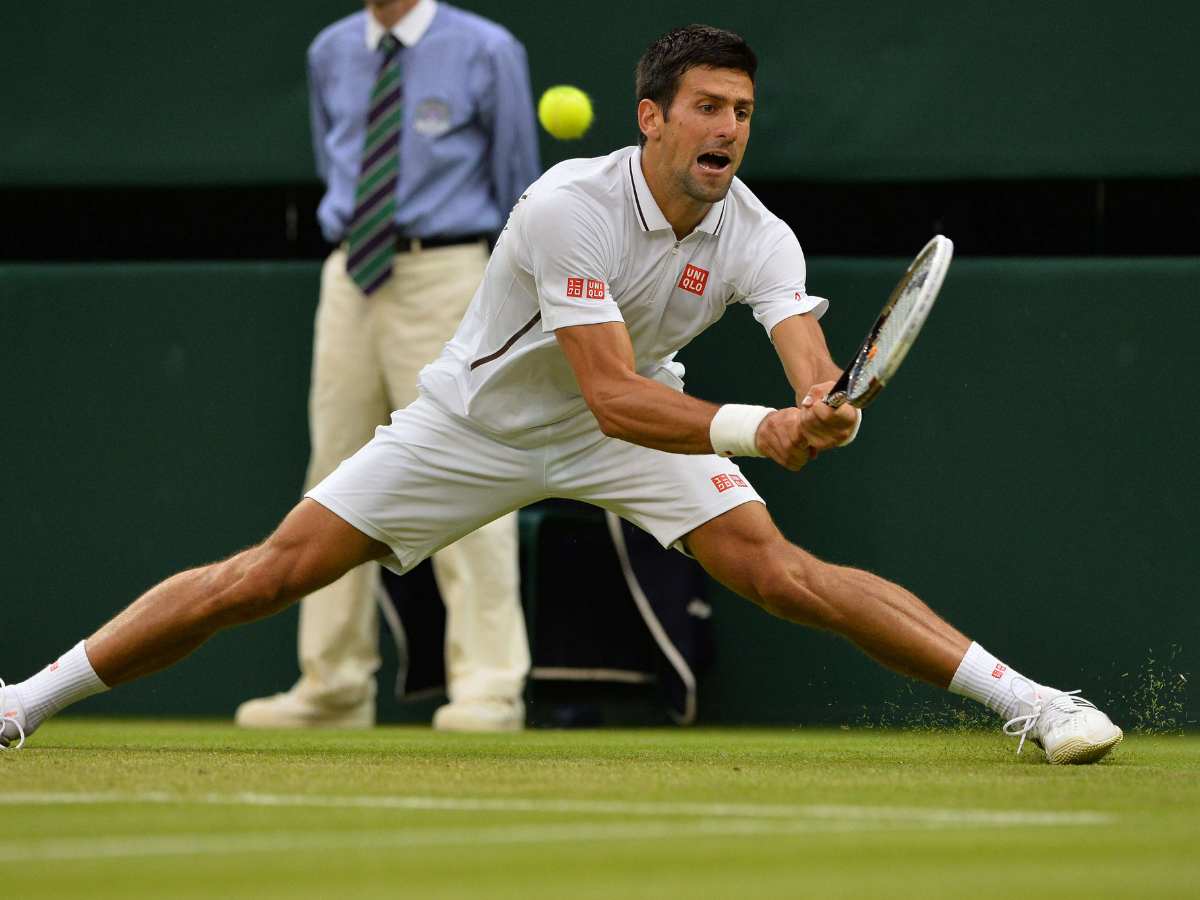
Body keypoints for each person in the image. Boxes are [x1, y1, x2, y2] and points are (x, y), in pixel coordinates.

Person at [0, 24, 1122, 764]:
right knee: (265, 577)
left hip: (636, 432)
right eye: (707, 107)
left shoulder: (757, 232)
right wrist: (758, 429)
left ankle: (1035, 705)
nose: (729, 127)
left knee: (785, 574)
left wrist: (821, 403)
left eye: (742, 109)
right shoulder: (561, 206)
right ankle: (20, 703)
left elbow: (799, 352)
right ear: (652, 116)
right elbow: (611, 394)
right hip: (475, 426)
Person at [234, 0, 539, 733]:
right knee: (332, 474)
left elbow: (519, 185)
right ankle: (332, 686)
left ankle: (490, 686)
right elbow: (334, 158)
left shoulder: (487, 48)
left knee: (471, 469)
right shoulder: (330, 50)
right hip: (350, 274)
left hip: (453, 271)